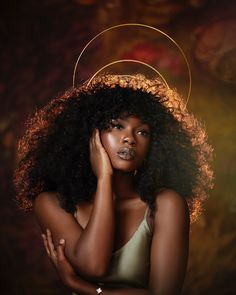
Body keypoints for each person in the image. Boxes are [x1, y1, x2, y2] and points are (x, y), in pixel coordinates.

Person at [14, 74, 213, 295]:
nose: (130, 138)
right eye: (117, 126)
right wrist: (104, 179)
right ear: (90, 134)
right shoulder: (52, 203)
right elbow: (94, 265)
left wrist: (81, 287)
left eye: (142, 131)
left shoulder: (166, 205)